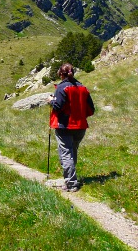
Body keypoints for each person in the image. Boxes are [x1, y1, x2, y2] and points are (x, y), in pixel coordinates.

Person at [47, 63, 95, 192]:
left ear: (61, 74)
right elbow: (91, 109)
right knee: (72, 152)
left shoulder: (62, 88)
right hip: (81, 126)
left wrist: (51, 100)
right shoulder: (82, 87)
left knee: (66, 154)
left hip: (65, 126)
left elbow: (57, 106)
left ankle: (71, 184)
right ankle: (70, 180)